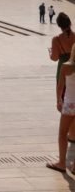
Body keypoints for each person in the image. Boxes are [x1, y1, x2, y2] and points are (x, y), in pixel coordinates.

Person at [47, 44, 75, 173]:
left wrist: (59, 100)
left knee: (63, 133)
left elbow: (60, 87)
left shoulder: (66, 66)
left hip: (69, 105)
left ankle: (62, 163)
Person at [51, 13, 75, 85]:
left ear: (59, 25)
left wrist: (50, 53)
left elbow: (54, 58)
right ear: (70, 23)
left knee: (62, 94)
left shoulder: (56, 39)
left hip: (63, 69)